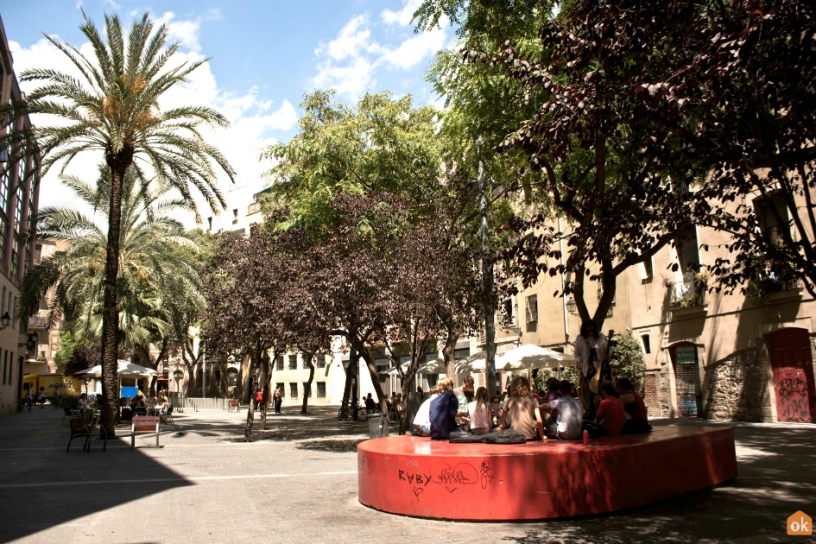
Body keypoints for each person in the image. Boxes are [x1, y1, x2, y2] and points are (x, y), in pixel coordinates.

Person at [574, 319, 608, 416]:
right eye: (588, 330)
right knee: (587, 392)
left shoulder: (601, 337)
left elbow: (607, 350)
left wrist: (609, 354)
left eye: (592, 330)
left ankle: (601, 412)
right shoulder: (580, 338)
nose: (590, 332)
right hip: (586, 369)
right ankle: (589, 412)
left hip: (599, 369)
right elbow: (577, 354)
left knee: (600, 391)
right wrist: (579, 362)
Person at [498, 376, 545, 440]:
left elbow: (502, 420)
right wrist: (542, 436)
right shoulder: (534, 400)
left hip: (515, 437)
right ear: (527, 387)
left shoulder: (509, 401)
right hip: (530, 436)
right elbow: (539, 421)